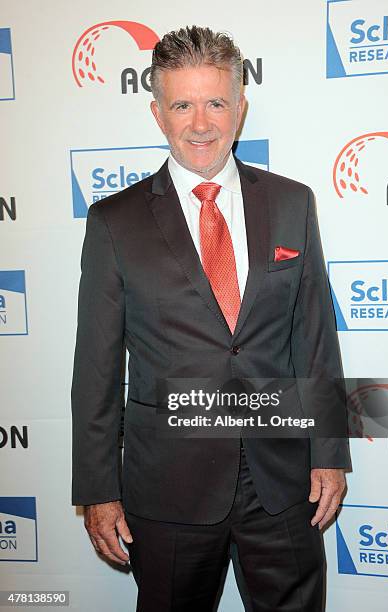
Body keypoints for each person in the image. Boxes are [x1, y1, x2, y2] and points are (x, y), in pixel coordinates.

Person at [71, 25, 351, 612]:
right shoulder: (114, 223)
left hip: (283, 481)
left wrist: (329, 450)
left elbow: (314, 338)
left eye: (216, 102)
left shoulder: (293, 202)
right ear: (157, 114)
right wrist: (97, 489)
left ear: (240, 107)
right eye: (182, 105)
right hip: (169, 485)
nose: (201, 123)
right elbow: (96, 367)